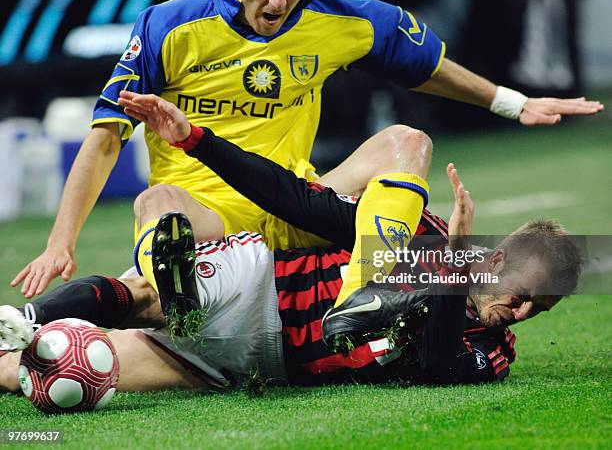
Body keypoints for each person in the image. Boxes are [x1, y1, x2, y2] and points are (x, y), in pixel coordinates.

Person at [11, 0, 601, 304]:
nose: (279, 2)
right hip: (211, 217)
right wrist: (60, 241)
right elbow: (105, 137)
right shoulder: (169, 27)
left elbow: (423, 67)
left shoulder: (336, 20)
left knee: (405, 141)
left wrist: (510, 103)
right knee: (157, 203)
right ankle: (172, 314)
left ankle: (365, 295)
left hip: (302, 200)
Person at [0, 175, 581, 393]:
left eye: (539, 309)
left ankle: (27, 343)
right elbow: (308, 205)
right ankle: (24, 316)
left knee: (74, 371)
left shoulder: (494, 354)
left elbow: (436, 366)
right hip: (258, 289)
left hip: (247, 369)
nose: (521, 311)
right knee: (150, 295)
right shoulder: (412, 231)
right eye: (524, 291)